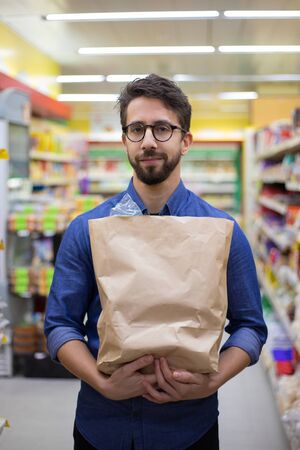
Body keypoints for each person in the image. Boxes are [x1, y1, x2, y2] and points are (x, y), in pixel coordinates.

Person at [44, 74, 267, 450]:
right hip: (102, 427)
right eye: (137, 129)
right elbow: (59, 325)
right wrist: (103, 383)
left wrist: (213, 381)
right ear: (125, 141)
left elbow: (250, 327)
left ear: (186, 141)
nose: (148, 140)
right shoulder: (88, 230)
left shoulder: (222, 232)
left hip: (188, 429)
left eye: (162, 128)